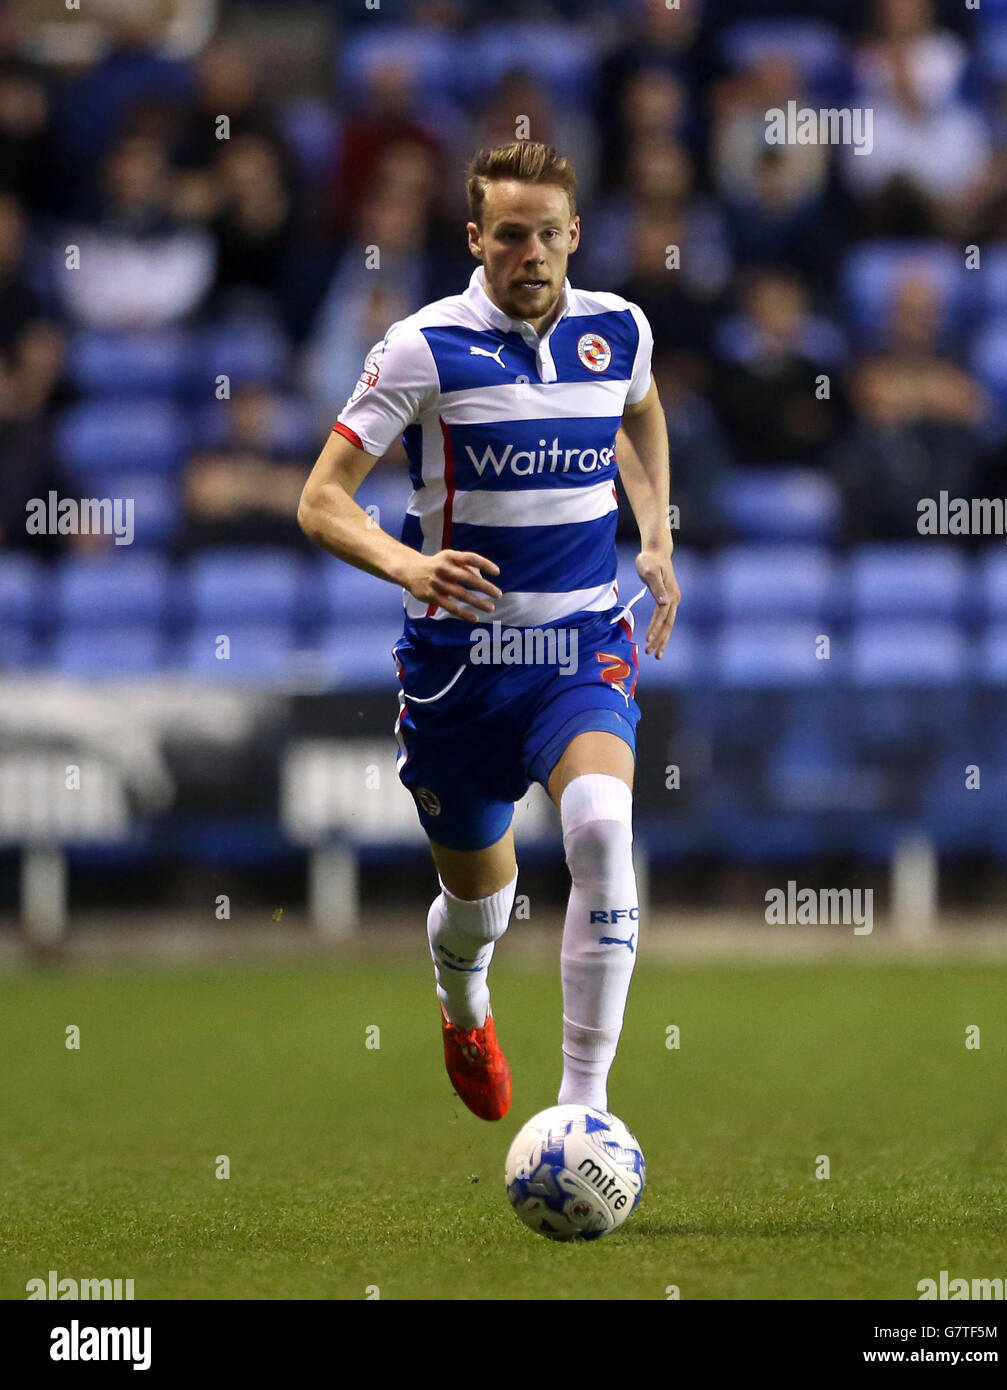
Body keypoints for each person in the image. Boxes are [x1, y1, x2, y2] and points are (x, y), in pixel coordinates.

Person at [298, 140, 680, 1121]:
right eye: (511, 235)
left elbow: (637, 417)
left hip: (578, 650)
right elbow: (321, 502)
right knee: (480, 909)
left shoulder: (619, 329)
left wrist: (654, 537)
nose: (532, 254)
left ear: (574, 236)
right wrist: (410, 563)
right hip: (459, 669)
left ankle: (584, 1111)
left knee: (600, 831)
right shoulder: (420, 347)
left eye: (549, 234)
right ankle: (461, 999)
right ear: (476, 238)